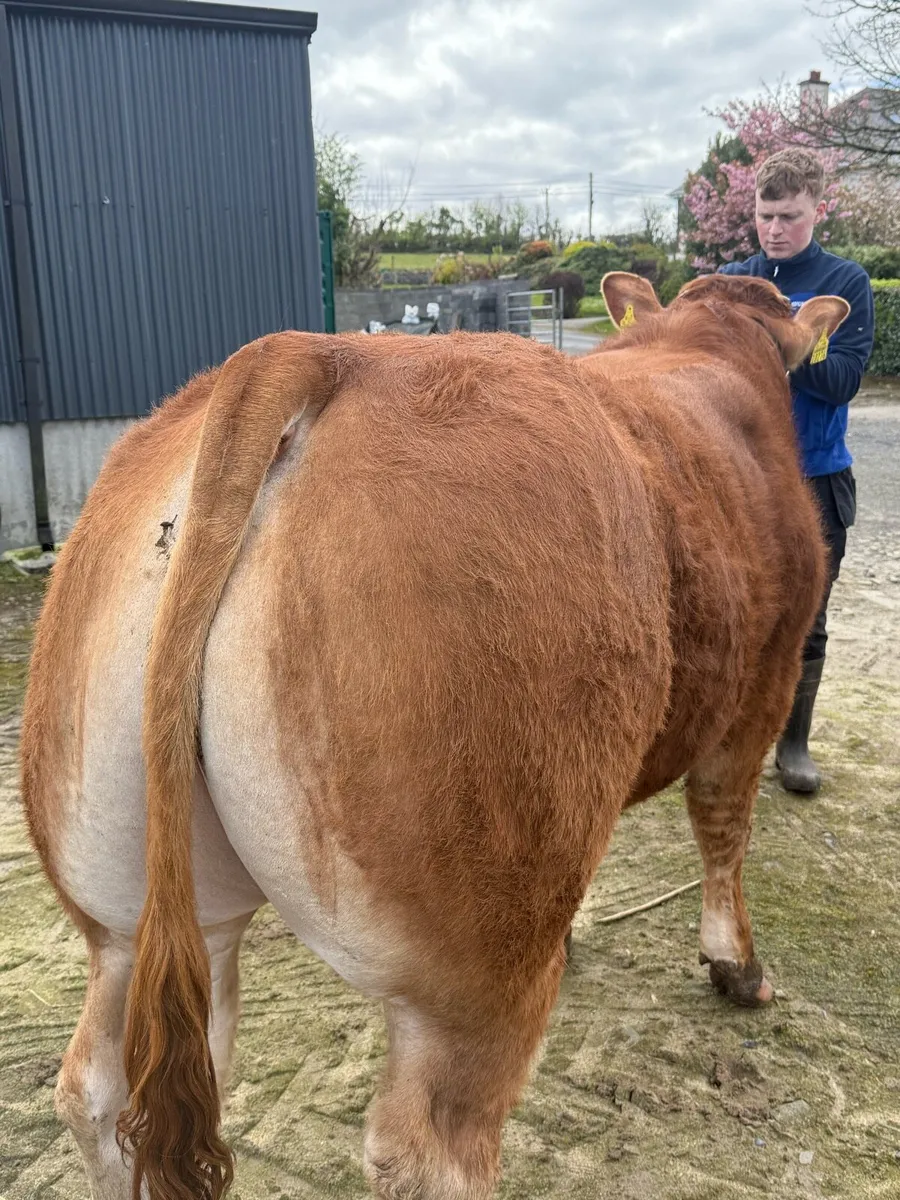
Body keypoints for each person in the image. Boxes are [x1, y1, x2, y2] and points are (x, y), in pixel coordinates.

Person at [720, 147, 875, 794]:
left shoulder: (845, 283)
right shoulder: (732, 280)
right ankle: (729, 736)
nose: (775, 229)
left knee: (805, 619)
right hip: (742, 477)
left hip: (816, 479)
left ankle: (793, 742)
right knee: (736, 612)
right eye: (765, 215)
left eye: (789, 216)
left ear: (818, 210)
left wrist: (785, 341)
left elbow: (843, 381)